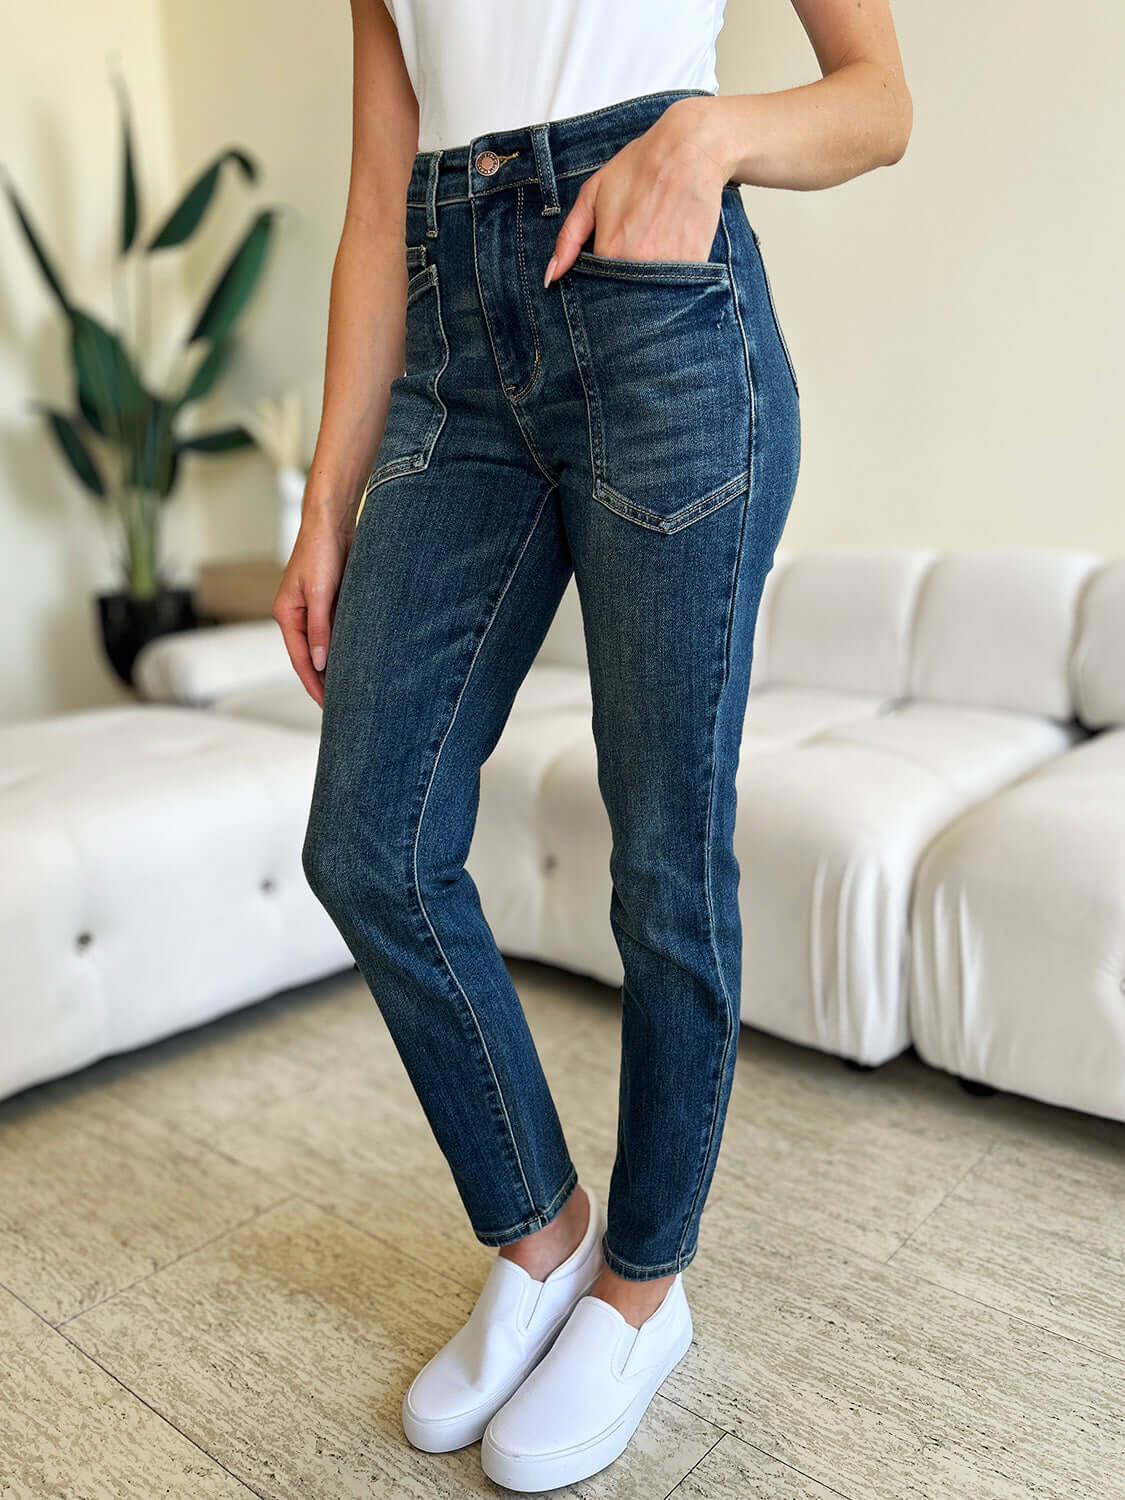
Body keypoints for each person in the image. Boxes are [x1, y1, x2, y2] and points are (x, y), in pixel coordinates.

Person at [274, 0, 911, 1489]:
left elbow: (877, 102)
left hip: (667, 330)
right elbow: (379, 199)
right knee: (369, 839)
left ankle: (641, 1289)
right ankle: (542, 1240)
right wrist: (324, 503)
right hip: (453, 344)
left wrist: (711, 132)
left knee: (663, 863)